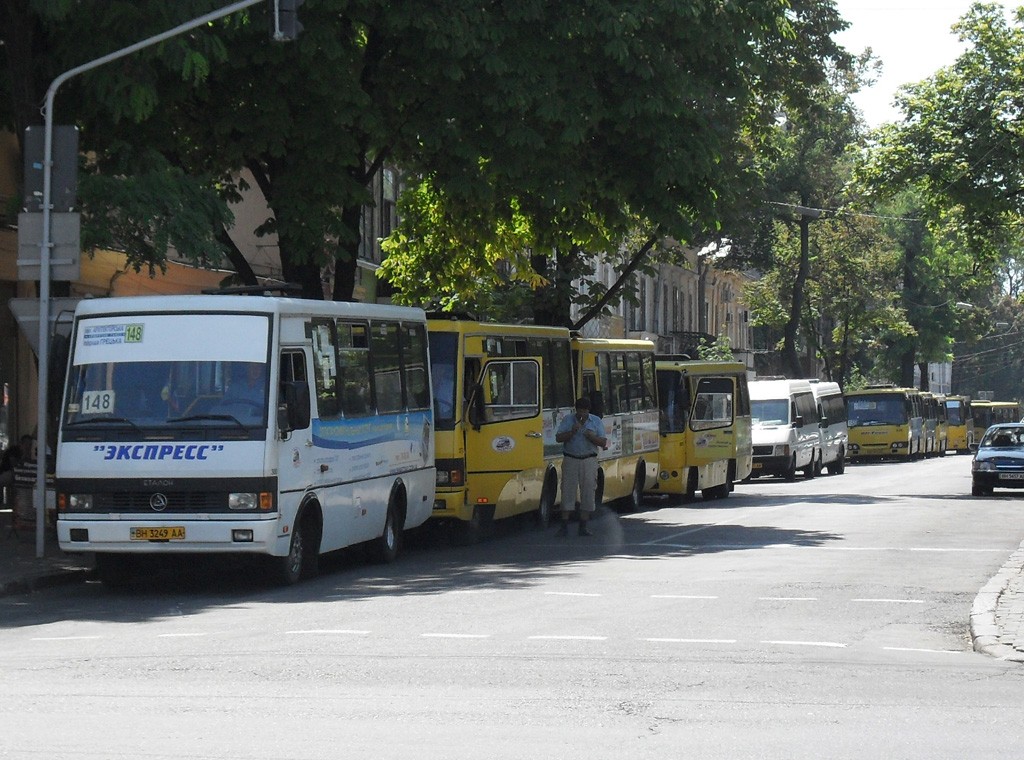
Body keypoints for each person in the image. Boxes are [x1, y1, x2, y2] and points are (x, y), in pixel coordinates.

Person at [554, 397, 608, 537]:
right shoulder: (568, 420)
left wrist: (591, 437)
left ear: (588, 411)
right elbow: (558, 438)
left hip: (589, 459)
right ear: (575, 409)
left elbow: (603, 442)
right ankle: (564, 525)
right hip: (571, 458)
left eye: (585, 411)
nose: (582, 414)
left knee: (588, 491)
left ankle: (583, 525)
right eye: (580, 410)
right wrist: (571, 432)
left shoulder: (595, 421)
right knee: (567, 490)